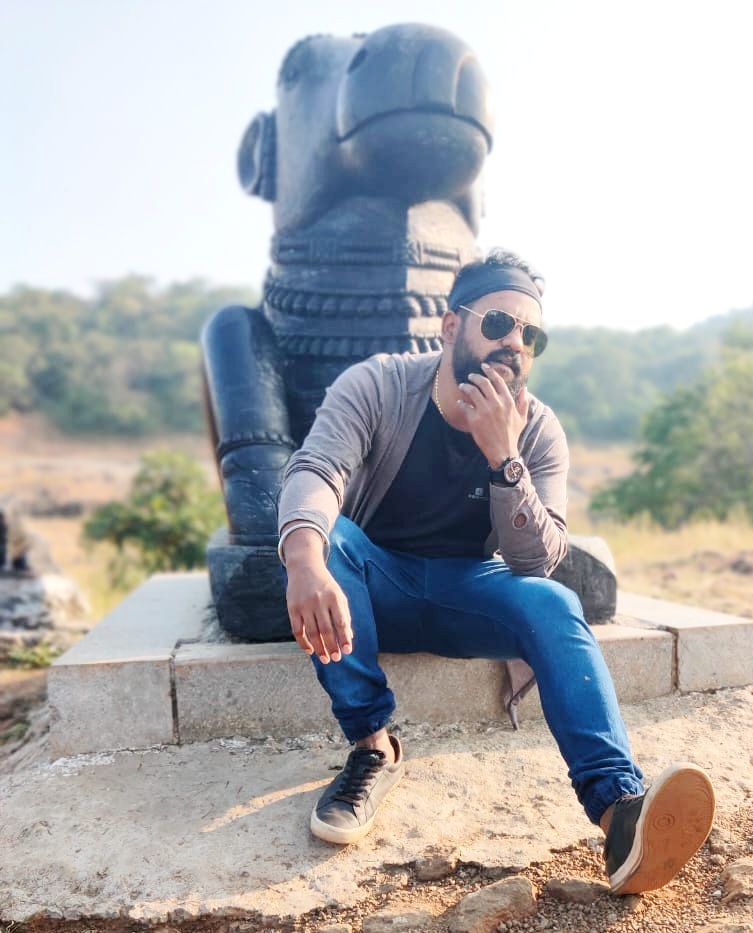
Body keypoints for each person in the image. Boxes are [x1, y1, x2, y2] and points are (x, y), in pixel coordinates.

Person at [276, 248, 715, 894]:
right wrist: (304, 559)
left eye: (531, 335)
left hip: (467, 590)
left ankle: (620, 812)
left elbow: (539, 562)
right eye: (499, 323)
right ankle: (373, 748)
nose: (515, 342)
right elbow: (316, 469)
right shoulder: (378, 385)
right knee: (328, 538)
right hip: (373, 581)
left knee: (554, 605)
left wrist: (505, 459)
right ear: (451, 326)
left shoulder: (538, 431)